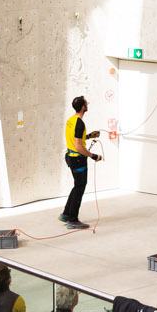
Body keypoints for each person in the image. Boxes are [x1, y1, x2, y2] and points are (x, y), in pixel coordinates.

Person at [61, 95, 99, 230]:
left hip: (71, 157)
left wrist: (89, 136)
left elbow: (76, 139)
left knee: (77, 186)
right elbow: (78, 146)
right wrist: (93, 156)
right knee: (80, 187)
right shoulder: (79, 123)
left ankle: (66, 214)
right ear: (83, 107)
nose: (87, 104)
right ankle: (72, 219)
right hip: (78, 159)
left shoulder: (71, 120)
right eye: (86, 103)